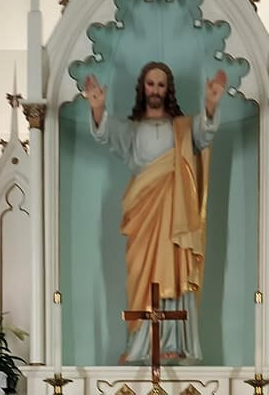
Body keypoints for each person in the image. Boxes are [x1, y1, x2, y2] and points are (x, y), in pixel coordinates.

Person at [85, 61, 226, 363]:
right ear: (142, 87)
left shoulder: (183, 128)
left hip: (174, 212)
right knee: (141, 274)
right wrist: (97, 108)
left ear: (168, 90)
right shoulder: (131, 130)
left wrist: (211, 104)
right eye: (151, 84)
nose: (156, 90)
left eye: (161, 85)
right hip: (143, 213)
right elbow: (104, 132)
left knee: (172, 269)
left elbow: (204, 134)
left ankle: (173, 342)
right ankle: (141, 343)